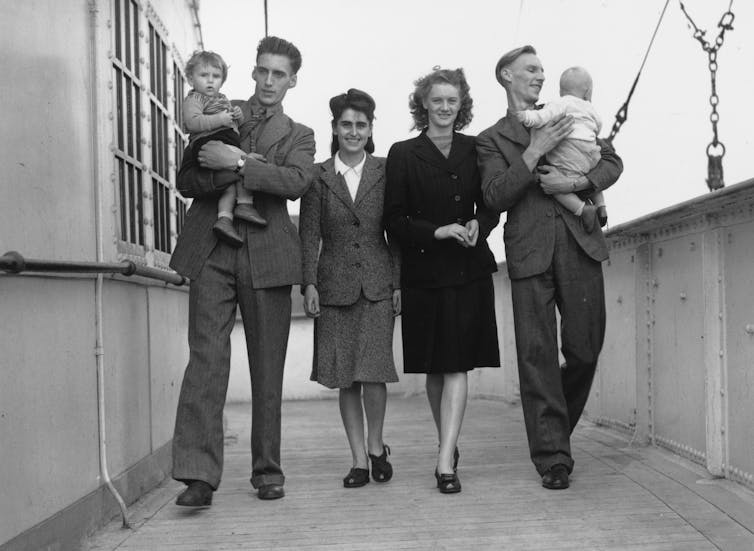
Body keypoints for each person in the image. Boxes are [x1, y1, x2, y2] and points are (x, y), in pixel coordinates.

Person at [169, 36, 315, 506]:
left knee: (267, 368)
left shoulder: (300, 134)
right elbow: (188, 177)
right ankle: (198, 476)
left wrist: (235, 161)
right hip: (212, 247)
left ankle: (267, 470)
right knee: (205, 361)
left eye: (279, 74)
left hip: (270, 256)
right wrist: (228, 170)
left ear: (292, 80)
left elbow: (295, 183)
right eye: (262, 71)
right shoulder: (215, 107)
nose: (269, 81)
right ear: (252, 72)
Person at [476, 45, 623, 490]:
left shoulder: (565, 112)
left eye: (542, 70)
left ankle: (553, 430)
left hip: (580, 246)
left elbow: (612, 161)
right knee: (536, 357)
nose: (541, 76)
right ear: (506, 76)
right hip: (529, 251)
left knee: (585, 348)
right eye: (531, 70)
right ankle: (553, 457)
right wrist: (533, 151)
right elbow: (495, 196)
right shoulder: (492, 138)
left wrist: (577, 183)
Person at [384, 67, 500, 494]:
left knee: (456, 364)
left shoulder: (477, 148)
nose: (445, 108)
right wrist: (435, 231)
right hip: (424, 272)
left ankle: (444, 462)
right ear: (424, 105)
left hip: (468, 269)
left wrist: (478, 224)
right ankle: (447, 445)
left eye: (453, 100)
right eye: (437, 100)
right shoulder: (403, 152)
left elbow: (492, 203)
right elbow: (392, 219)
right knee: (435, 368)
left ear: (462, 104)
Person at [299, 89, 401, 489]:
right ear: (335, 129)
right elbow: (309, 234)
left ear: (370, 129)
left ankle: (376, 447)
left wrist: (398, 283)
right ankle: (358, 459)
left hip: (377, 284)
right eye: (346, 125)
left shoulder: (386, 171)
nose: (353, 132)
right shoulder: (318, 176)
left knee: (373, 373)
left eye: (361, 125)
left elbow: (397, 233)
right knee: (346, 377)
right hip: (333, 287)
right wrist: (308, 282)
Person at [182, 50, 267, 247]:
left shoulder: (222, 99)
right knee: (246, 162)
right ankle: (245, 205)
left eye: (216, 76)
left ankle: (224, 219)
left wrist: (237, 116)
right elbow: (193, 122)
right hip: (207, 142)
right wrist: (220, 119)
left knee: (229, 185)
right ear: (190, 78)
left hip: (225, 141)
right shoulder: (195, 99)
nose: (210, 81)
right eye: (204, 76)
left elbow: (234, 123)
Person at [515, 65, 607, 232]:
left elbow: (542, 116)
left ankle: (582, 209)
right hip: (591, 153)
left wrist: (527, 117)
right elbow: (598, 126)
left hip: (569, 154)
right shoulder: (590, 109)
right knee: (592, 176)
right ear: (587, 92)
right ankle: (601, 205)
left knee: (552, 184)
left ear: (560, 91)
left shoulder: (560, 104)